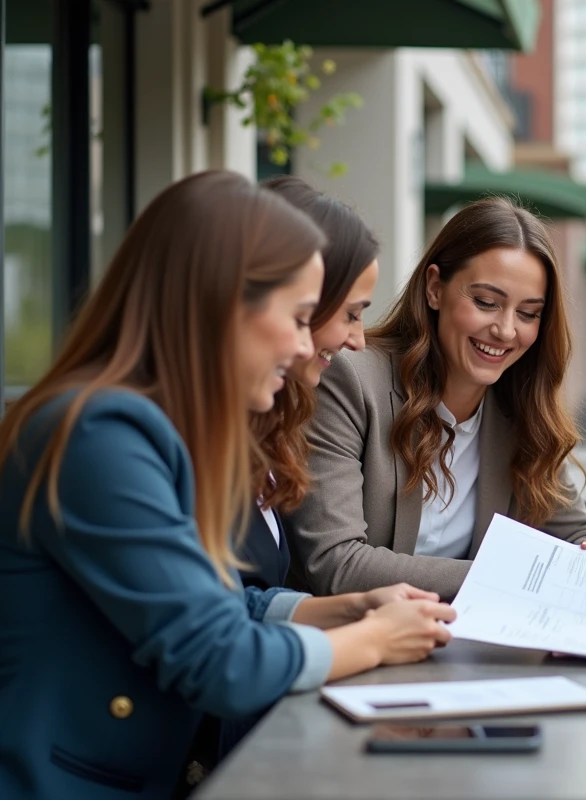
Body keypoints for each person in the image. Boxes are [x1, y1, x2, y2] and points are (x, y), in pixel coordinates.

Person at [0, 171, 455, 799]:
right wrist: (375, 639)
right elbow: (222, 662)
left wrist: (346, 609)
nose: (304, 345)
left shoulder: (147, 427)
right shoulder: (100, 436)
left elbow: (215, 601)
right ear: (224, 304)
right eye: (298, 317)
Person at [288, 197, 586, 601]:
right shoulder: (349, 380)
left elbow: (573, 532)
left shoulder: (521, 408)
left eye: (528, 313)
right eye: (486, 303)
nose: (505, 330)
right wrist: (510, 576)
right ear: (435, 288)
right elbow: (337, 564)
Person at [240, 175, 382, 592]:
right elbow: (205, 621)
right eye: (350, 314)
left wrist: (353, 611)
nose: (358, 341)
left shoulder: (264, 424)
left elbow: (240, 601)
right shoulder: (131, 433)